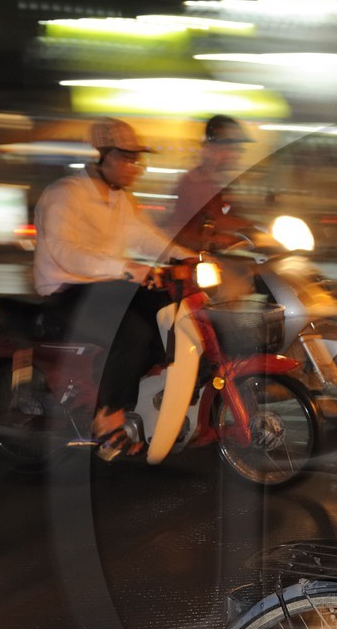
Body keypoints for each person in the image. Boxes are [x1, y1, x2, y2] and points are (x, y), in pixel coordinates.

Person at [32, 117, 195, 454]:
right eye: (125, 158)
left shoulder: (121, 200)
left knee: (169, 314)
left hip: (106, 286)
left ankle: (146, 398)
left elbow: (145, 236)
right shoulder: (64, 195)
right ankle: (107, 417)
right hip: (67, 292)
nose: (134, 167)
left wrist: (185, 256)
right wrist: (126, 267)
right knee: (133, 330)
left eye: (136, 159)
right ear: (99, 156)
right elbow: (67, 252)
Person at [164, 113, 253, 253]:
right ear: (211, 149)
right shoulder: (195, 182)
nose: (236, 155)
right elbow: (216, 220)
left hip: (214, 256)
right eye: (230, 148)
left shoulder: (224, 182)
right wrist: (254, 230)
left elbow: (233, 215)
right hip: (192, 259)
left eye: (238, 149)